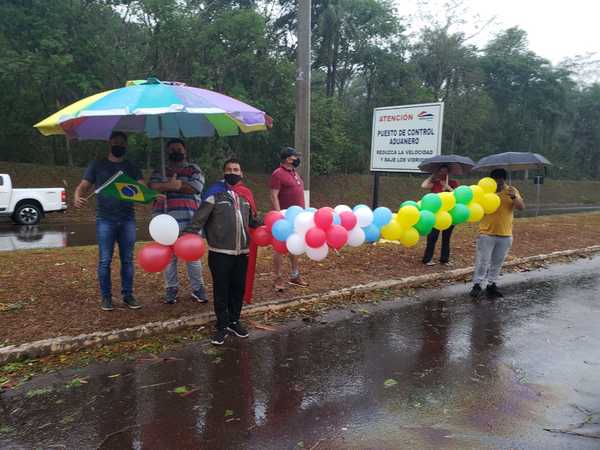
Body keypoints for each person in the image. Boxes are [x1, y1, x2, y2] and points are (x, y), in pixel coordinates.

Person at [185, 158, 260, 345]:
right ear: (224, 173)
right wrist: (183, 237)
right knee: (221, 290)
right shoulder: (214, 195)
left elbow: (253, 221)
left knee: (238, 289)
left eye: (236, 169)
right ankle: (221, 325)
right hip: (220, 253)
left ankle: (234, 321)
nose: (233, 172)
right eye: (229, 169)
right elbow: (198, 221)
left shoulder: (245, 196)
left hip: (242, 252)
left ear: (241, 174)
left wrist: (274, 221)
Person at [74, 131, 143, 311]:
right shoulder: (97, 165)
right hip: (105, 219)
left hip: (127, 218)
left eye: (122, 143)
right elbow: (82, 187)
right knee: (105, 260)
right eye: (115, 142)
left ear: (126, 146)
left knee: (127, 259)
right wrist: (77, 197)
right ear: (109, 143)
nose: (118, 145)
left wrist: (147, 191)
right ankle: (106, 297)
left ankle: (128, 295)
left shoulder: (131, 166)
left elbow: (142, 188)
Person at [148, 138, 208, 304]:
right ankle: (171, 289)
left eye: (179, 148)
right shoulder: (160, 170)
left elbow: (196, 187)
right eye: (172, 149)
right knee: (169, 257)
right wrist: (168, 185)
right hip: (164, 220)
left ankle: (198, 288)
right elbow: (151, 187)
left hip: (190, 219)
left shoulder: (193, 169)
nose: (176, 151)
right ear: (167, 152)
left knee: (192, 256)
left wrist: (176, 185)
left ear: (185, 151)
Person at [470, 168, 525, 299]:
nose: (498, 183)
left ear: (503, 179)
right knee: (483, 261)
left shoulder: (512, 190)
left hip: (505, 234)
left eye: (500, 180)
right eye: (495, 180)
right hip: (486, 233)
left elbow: (521, 207)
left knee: (497, 262)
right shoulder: (484, 192)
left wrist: (514, 196)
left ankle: (492, 285)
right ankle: (477, 285)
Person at [269, 147, 308, 291]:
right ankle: (277, 279)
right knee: (279, 249)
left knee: (295, 246)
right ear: (287, 159)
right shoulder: (278, 174)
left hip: (297, 218)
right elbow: (273, 195)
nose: (297, 159)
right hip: (284, 219)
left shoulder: (294, 173)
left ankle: (295, 275)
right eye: (295, 157)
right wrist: (279, 215)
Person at [421, 165, 459, 266]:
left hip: (449, 214)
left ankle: (444, 259)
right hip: (436, 214)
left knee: (446, 238)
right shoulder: (435, 183)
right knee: (432, 237)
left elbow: (458, 196)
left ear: (449, 173)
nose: (443, 174)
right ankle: (427, 259)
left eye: (446, 172)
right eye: (441, 171)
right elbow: (424, 186)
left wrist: (448, 188)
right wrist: (432, 176)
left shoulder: (453, 183)